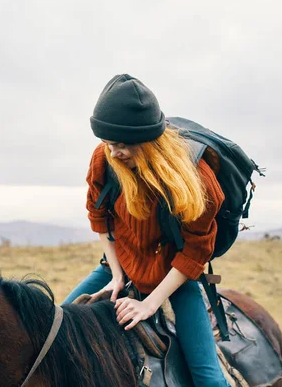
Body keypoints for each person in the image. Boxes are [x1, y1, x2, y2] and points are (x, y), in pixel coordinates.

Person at [63, 74, 230, 387]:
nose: (113, 153)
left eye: (123, 146)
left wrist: (149, 303)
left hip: (174, 276)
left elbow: (195, 252)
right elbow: (100, 217)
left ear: (150, 143)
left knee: (208, 379)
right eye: (108, 144)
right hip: (122, 263)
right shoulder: (105, 158)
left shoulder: (197, 180)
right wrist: (115, 275)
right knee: (55, 332)